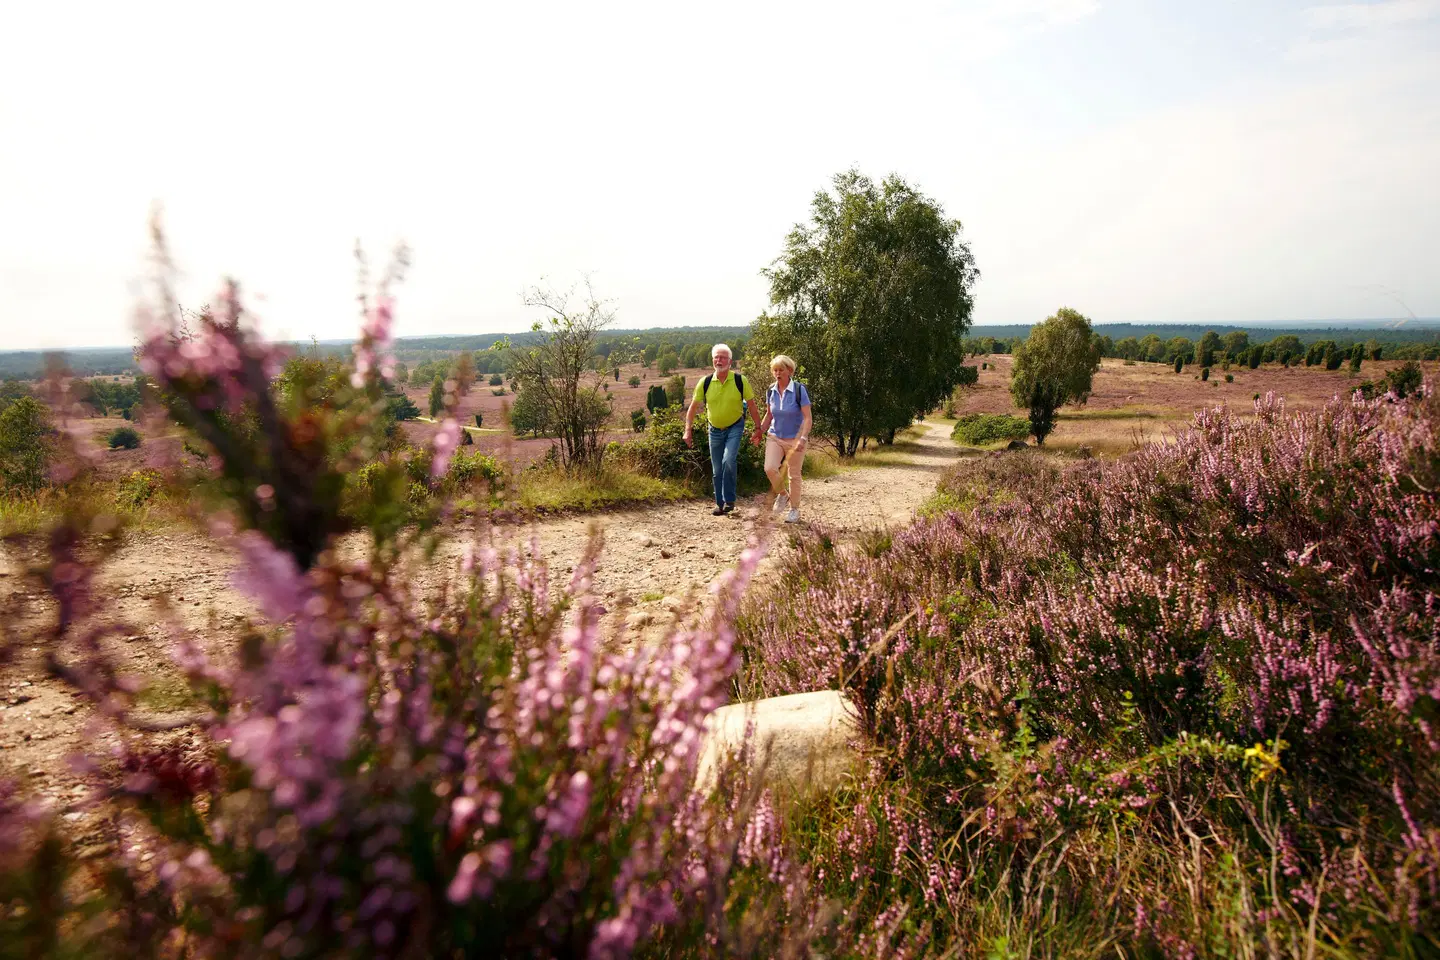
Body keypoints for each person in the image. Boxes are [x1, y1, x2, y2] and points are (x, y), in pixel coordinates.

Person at [683, 343, 758, 516]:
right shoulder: (705, 382)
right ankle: (720, 504)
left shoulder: (740, 380)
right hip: (714, 429)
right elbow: (693, 408)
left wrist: (758, 428)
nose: (719, 360)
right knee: (717, 469)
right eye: (716, 357)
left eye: (723, 357)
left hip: (735, 426)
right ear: (712, 360)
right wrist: (688, 430)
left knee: (728, 460)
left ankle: (729, 499)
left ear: (730, 361)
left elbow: (752, 406)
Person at [751, 354, 811, 523]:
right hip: (775, 436)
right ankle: (783, 495)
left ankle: (794, 510)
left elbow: (808, 418)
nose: (777, 373)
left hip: (795, 440)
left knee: (794, 475)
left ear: (789, 371)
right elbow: (769, 415)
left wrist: (803, 438)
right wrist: (759, 431)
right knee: (769, 468)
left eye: (781, 370)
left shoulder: (799, 390)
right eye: (775, 370)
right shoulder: (771, 390)